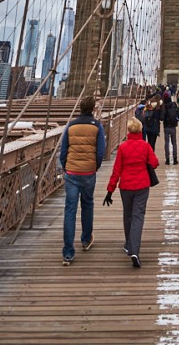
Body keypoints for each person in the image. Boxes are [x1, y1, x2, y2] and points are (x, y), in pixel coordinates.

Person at [103, 117, 159, 269]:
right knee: (138, 216)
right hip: (142, 185)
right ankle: (134, 250)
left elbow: (116, 170)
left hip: (126, 186)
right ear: (140, 130)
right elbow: (155, 163)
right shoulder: (146, 146)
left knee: (128, 215)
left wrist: (110, 190)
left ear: (128, 130)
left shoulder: (122, 147)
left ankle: (129, 245)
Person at [60, 94, 105, 265]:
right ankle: (86, 239)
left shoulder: (71, 126)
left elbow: (63, 151)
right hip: (88, 172)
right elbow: (101, 151)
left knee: (70, 210)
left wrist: (66, 167)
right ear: (93, 108)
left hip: (71, 172)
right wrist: (95, 166)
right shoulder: (97, 126)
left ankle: (68, 253)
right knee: (87, 204)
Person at [162, 91, 179, 164]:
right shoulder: (174, 104)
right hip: (173, 126)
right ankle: (175, 159)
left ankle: (167, 160)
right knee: (174, 142)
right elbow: (178, 114)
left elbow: (162, 117)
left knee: (167, 143)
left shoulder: (163, 106)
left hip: (166, 126)